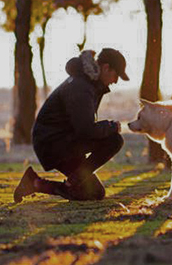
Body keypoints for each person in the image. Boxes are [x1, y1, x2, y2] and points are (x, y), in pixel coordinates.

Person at [13, 48, 128, 202]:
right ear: (106, 68)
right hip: (54, 143)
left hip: (63, 141)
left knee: (94, 193)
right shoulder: (82, 87)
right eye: (116, 75)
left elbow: (82, 127)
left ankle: (34, 183)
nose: (115, 81)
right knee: (114, 140)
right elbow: (86, 130)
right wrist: (112, 126)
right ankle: (71, 184)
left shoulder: (89, 84)